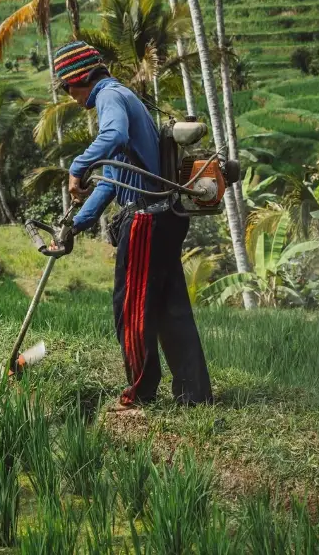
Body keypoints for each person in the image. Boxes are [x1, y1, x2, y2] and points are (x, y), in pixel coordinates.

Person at [53, 40, 213, 408]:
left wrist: (77, 168)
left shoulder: (109, 97)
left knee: (132, 307)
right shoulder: (125, 96)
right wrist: (77, 223)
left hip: (145, 219)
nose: (69, 95)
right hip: (164, 217)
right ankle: (194, 394)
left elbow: (114, 137)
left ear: (79, 78)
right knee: (170, 308)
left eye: (66, 86)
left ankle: (139, 393)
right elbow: (113, 179)